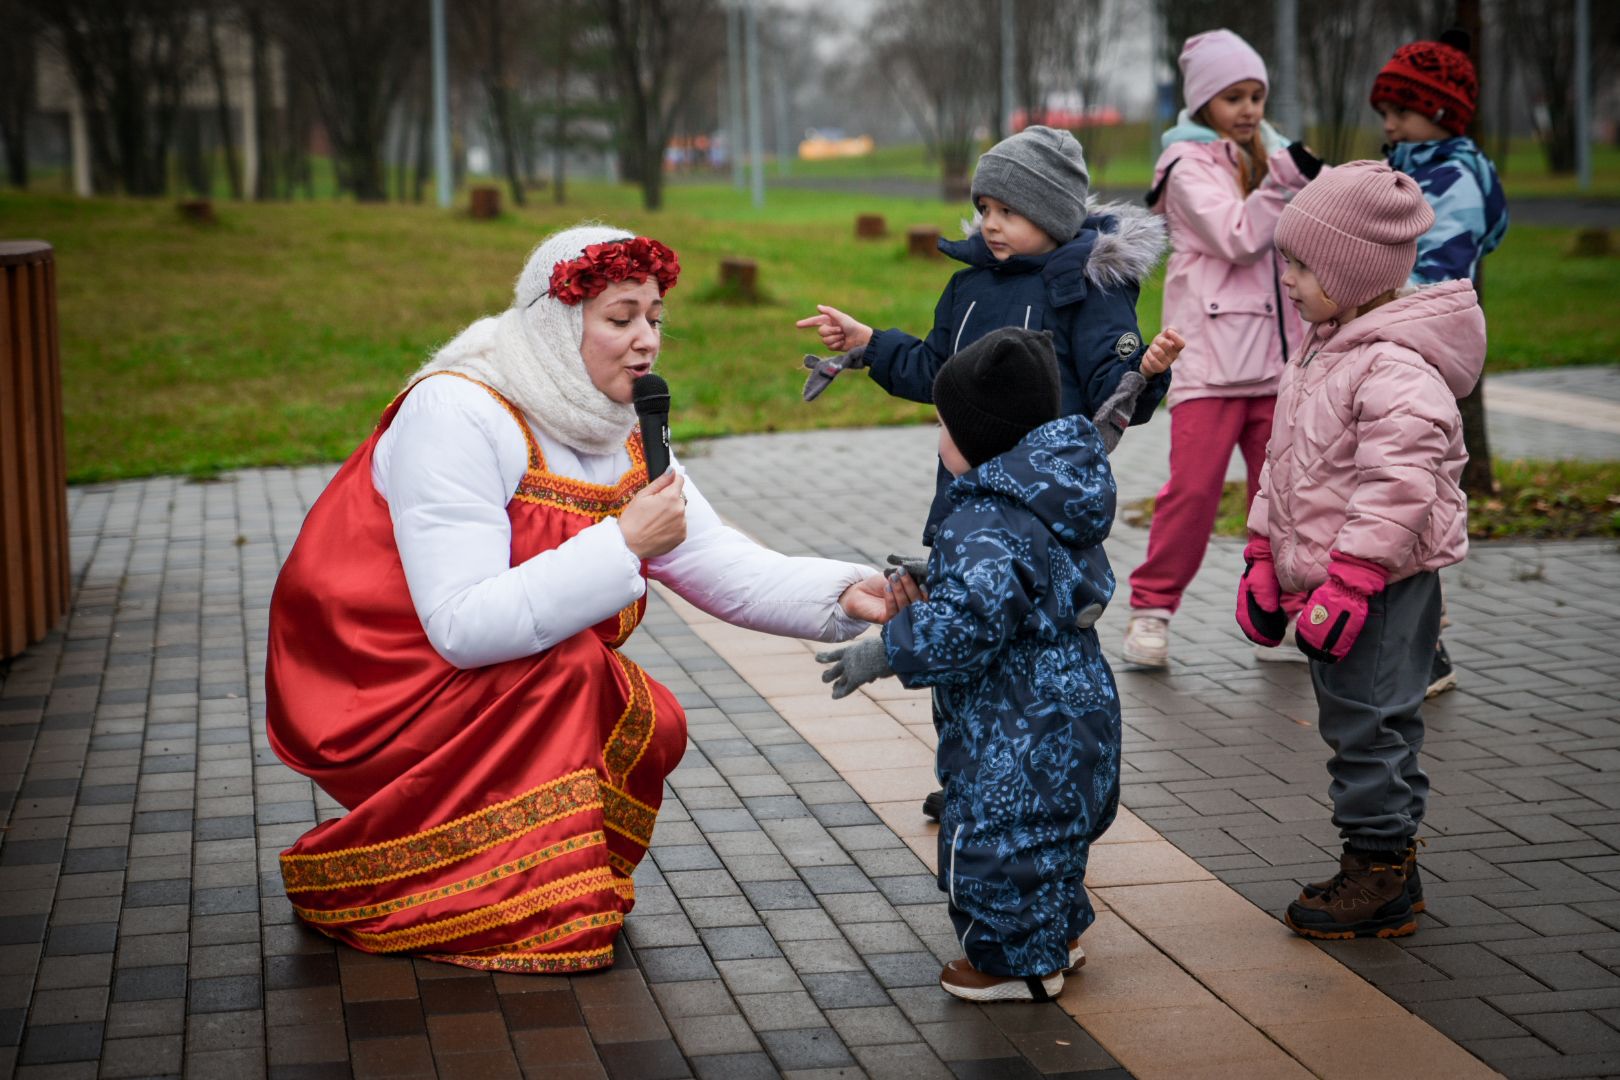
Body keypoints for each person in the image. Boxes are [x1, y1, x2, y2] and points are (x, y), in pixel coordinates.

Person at [265, 225, 896, 973]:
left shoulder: (619, 427)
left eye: (655, 318)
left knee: (648, 717)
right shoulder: (459, 411)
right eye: (620, 318)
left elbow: (717, 559)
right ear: (557, 322)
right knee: (573, 678)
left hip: (485, 666)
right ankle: (505, 902)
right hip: (378, 677)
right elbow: (461, 624)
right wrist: (623, 544)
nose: (646, 342)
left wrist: (848, 590)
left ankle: (517, 881)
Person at [817, 328, 1121, 1002]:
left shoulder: (983, 517)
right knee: (1055, 831)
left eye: (942, 423)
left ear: (981, 434)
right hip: (1078, 703)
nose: (937, 437)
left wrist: (885, 650)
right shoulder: (1059, 492)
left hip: (1016, 720)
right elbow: (1037, 579)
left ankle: (1018, 966)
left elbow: (967, 625)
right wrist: (948, 573)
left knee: (996, 838)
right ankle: (1058, 936)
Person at [1236, 162, 1483, 938]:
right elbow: (1288, 462)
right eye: (1287, 260)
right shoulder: (1323, 349)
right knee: (1358, 720)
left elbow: (1398, 483)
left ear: (1355, 273)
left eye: (1305, 266)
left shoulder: (1393, 366)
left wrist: (1351, 579)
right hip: (1336, 580)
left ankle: (1377, 871)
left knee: (1370, 726)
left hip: (1378, 585)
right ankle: (1389, 868)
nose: (1289, 278)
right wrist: (1260, 552)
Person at [797, 123, 1179, 552]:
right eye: (985, 208)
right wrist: (869, 343)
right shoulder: (968, 287)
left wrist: (1144, 371)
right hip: (963, 497)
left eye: (1008, 211)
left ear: (1051, 213)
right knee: (965, 605)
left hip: (1045, 501)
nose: (990, 224)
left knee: (1043, 614)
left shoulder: (1089, 289)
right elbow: (936, 372)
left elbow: (1111, 393)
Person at [1123, 28, 1323, 669]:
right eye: (1233, 96)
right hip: (1210, 364)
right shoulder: (1185, 166)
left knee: (1291, 494)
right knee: (1194, 493)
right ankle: (1151, 612)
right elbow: (1237, 237)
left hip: (1277, 361)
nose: (1249, 109)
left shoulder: (1267, 154)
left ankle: (1290, 613)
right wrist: (1285, 180)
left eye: (1257, 95)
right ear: (1203, 101)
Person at [1370, 30, 1508, 698]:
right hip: (1396, 349)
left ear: (1444, 113)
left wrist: (1371, 299)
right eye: (1386, 112)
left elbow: (1438, 273)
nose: (1389, 124)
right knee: (1397, 490)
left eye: (1402, 110)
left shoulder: (1452, 177)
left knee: (1410, 494)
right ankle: (1419, 639)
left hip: (1419, 354)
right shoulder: (1417, 163)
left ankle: (1428, 648)